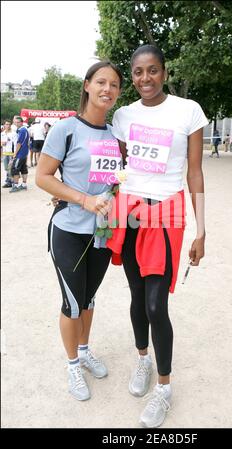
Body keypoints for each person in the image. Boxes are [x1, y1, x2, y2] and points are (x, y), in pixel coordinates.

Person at [108, 44, 208, 428]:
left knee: (155, 305)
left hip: (167, 212)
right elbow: (119, 166)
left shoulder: (188, 111)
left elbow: (195, 172)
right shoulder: (123, 115)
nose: (144, 79)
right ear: (131, 75)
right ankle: (142, 360)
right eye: (137, 72)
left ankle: (164, 388)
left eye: (152, 71)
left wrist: (202, 228)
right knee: (136, 295)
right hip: (130, 213)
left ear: (164, 72)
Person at [35, 61, 123, 401]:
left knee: (88, 298)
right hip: (69, 228)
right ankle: (73, 364)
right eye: (101, 82)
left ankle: (84, 350)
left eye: (114, 84)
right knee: (72, 302)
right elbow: (42, 177)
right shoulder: (66, 128)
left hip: (102, 231)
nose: (108, 89)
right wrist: (84, 200)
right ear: (87, 85)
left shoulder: (116, 134)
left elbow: (117, 180)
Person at [9, 117, 29, 193]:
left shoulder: (22, 130)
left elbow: (19, 143)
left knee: (15, 169)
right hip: (24, 152)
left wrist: (15, 153)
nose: (16, 124)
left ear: (21, 123)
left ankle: (16, 185)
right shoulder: (24, 130)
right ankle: (24, 184)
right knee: (23, 168)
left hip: (20, 153)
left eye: (18, 122)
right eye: (15, 122)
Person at [1, 120, 16, 188]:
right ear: (4, 125)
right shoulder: (2, 133)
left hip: (11, 153)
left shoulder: (13, 133)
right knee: (6, 168)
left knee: (10, 168)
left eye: (9, 124)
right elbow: (1, 142)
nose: (8, 125)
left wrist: (15, 153)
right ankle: (9, 181)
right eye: (6, 124)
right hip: (4, 153)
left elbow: (16, 144)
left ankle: (11, 182)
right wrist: (2, 143)